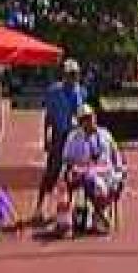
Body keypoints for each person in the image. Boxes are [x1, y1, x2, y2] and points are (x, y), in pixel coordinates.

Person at [56, 104, 126, 235]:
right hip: (81, 172)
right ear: (80, 121)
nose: (90, 120)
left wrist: (120, 172)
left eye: (91, 117)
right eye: (86, 118)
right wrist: (69, 170)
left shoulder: (105, 134)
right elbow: (67, 159)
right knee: (64, 186)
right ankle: (64, 222)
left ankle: (99, 216)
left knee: (96, 183)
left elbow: (116, 156)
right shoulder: (73, 137)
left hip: (104, 173)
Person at [33, 58, 87, 223]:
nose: (73, 78)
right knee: (52, 172)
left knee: (72, 173)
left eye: (75, 74)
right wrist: (46, 136)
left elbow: (81, 114)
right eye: (70, 74)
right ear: (64, 75)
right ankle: (39, 207)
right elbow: (48, 116)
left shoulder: (81, 92)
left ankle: (68, 207)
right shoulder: (54, 91)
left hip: (73, 134)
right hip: (59, 133)